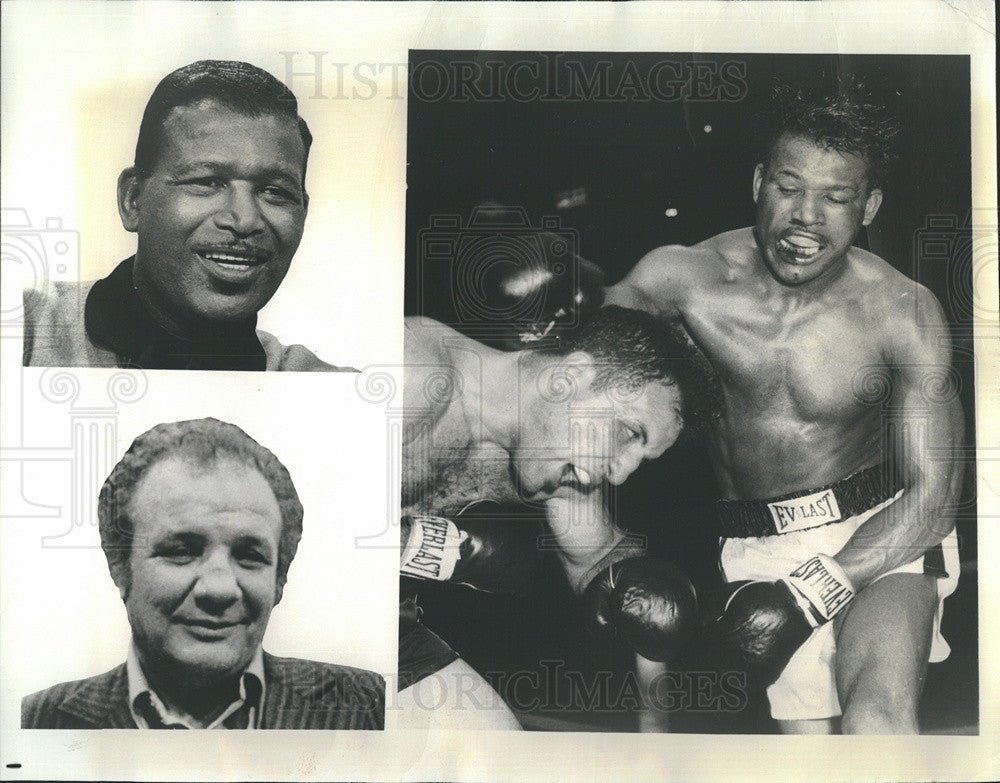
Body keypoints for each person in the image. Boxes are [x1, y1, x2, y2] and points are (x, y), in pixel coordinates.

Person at [595, 81, 964, 734]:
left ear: (869, 205)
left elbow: (932, 501)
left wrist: (808, 594)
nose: (806, 217)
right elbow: (582, 362)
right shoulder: (686, 280)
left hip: (880, 535)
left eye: (836, 197)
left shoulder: (901, 311)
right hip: (756, 544)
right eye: (790, 187)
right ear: (759, 181)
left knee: (876, 721)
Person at [398, 305, 713, 729]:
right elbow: (281, 502)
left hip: (387, 621)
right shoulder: (413, 371)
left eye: (641, 458)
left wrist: (653, 728)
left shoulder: (557, 458)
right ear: (571, 378)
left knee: (496, 752)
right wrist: (432, 548)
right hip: (300, 598)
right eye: (629, 432)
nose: (618, 472)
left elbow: (606, 565)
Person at [22, 418, 384, 729]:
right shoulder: (38, 719)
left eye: (250, 556)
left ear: (279, 581)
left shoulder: (367, 705)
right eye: (181, 552)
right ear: (120, 566)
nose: (219, 588)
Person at [22, 60, 349, 371]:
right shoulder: (23, 330)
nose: (245, 219)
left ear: (303, 212)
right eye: (207, 182)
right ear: (133, 199)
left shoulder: (336, 397)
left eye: (275, 192)